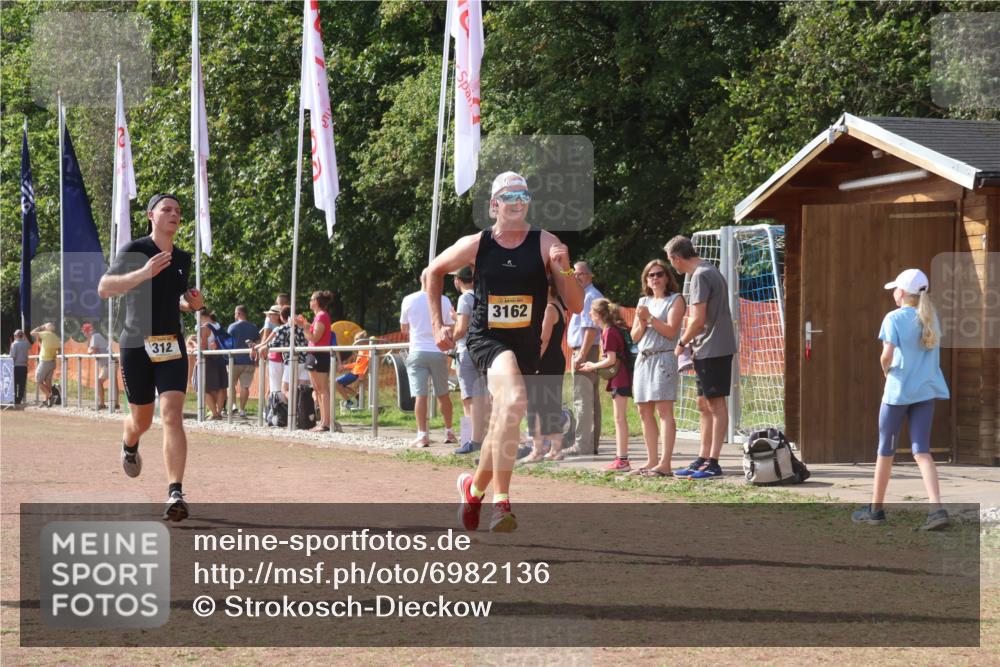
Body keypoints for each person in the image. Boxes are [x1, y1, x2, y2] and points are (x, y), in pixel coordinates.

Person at [424, 170, 583, 533]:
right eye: (508, 197)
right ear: (493, 205)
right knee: (513, 403)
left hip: (526, 344)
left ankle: (474, 488)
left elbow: (574, 302)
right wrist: (437, 325)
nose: (516, 203)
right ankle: (502, 503)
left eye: (523, 197)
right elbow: (432, 272)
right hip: (488, 340)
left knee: (504, 419)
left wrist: (565, 268)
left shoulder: (546, 243)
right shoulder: (478, 244)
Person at [97, 193, 203, 522]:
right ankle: (129, 443)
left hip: (171, 344)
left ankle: (175, 492)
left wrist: (192, 304)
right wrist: (142, 273)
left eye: (178, 211)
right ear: (151, 216)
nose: (173, 214)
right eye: (166, 209)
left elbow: (176, 300)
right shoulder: (135, 250)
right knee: (141, 420)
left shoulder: (183, 258)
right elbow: (105, 287)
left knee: (172, 415)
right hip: (135, 345)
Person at [852, 269, 952, 531]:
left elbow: (886, 356)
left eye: (895, 288)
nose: (893, 292)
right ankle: (936, 508)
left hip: (898, 394)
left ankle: (875, 510)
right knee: (922, 451)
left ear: (903, 293)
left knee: (885, 450)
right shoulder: (931, 317)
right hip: (926, 392)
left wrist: (886, 372)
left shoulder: (893, 318)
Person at [665, 235, 737, 480]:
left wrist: (682, 342)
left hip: (712, 347)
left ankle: (714, 462)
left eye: (671, 261)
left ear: (676, 258)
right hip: (705, 348)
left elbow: (697, 319)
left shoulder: (700, 275)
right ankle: (703, 457)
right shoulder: (708, 270)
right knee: (703, 404)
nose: (672, 267)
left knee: (716, 405)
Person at [630, 259, 685, 477]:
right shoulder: (643, 301)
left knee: (664, 411)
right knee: (644, 410)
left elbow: (671, 332)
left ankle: (665, 463)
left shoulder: (675, 300)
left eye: (659, 274)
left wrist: (650, 319)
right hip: (643, 358)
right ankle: (651, 459)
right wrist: (642, 321)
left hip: (663, 358)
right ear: (646, 280)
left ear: (667, 277)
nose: (655, 278)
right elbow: (634, 336)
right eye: (650, 275)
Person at [400, 276, 457, 447]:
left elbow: (404, 329)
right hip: (438, 351)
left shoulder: (408, 299)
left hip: (417, 350)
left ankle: (422, 434)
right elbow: (449, 326)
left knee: (420, 395)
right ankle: (449, 432)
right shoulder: (444, 300)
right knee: (443, 394)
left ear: (420, 279)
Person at [518, 278, 569, 463]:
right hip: (556, 359)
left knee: (535, 407)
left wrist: (534, 362)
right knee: (550, 406)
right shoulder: (559, 307)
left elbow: (544, 338)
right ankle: (555, 449)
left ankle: (538, 450)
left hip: (545, 361)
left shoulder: (549, 308)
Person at [579, 299, 632, 472]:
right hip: (620, 376)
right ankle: (621, 458)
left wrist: (591, 365)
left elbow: (611, 359)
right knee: (619, 418)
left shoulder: (609, 331)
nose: (589, 315)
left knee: (619, 419)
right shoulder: (610, 330)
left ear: (599, 315)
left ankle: (622, 459)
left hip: (620, 377)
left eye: (591, 312)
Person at [451, 265, 489, 455]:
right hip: (482, 350)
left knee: (468, 398)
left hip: (465, 349)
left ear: (458, 280)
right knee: (482, 397)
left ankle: (472, 441)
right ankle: (481, 437)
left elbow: (461, 328)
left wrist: (451, 336)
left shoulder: (464, 298)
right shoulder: (482, 296)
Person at [567, 261, 604, 455]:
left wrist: (581, 355)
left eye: (580, 274)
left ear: (589, 275)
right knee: (589, 400)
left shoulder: (589, 296)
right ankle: (590, 443)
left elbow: (590, 328)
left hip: (585, 349)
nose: (576, 277)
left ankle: (583, 445)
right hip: (587, 349)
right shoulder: (586, 295)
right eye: (574, 274)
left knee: (583, 399)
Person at [296, 290, 335, 432]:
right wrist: (304, 325)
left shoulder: (322, 316)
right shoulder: (318, 317)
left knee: (323, 390)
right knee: (317, 390)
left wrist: (305, 327)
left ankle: (326, 423)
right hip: (314, 354)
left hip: (320, 355)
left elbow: (314, 338)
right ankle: (323, 422)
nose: (310, 301)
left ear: (317, 302)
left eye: (312, 299)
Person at [267, 305, 309, 403]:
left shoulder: (283, 329)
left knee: (285, 389)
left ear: (281, 317)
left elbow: (275, 344)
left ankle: (296, 406)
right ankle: (304, 413)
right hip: (304, 361)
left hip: (291, 362)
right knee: (303, 390)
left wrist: (265, 347)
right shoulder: (303, 327)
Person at [228, 305, 260, 418]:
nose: (234, 315)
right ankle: (242, 410)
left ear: (239, 313)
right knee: (245, 386)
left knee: (230, 385)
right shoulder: (254, 327)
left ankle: (233, 406)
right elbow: (258, 342)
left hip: (234, 360)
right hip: (248, 361)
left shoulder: (232, 327)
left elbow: (228, 343)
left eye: (235, 313)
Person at [200, 311, 229, 420]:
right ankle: (219, 412)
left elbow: (202, 347)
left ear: (203, 316)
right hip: (221, 358)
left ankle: (214, 413)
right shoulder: (218, 326)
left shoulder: (205, 327)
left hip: (209, 360)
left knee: (203, 388)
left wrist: (194, 346)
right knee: (221, 387)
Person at [336, 330, 371, 408]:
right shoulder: (361, 350)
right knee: (340, 385)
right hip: (354, 372)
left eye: (356, 341)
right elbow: (357, 364)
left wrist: (362, 375)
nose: (355, 344)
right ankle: (357, 396)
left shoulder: (367, 350)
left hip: (357, 374)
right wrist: (344, 367)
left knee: (336, 383)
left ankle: (349, 402)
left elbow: (368, 364)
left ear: (362, 342)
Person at [82, 322, 111, 410]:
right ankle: (104, 403)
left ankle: (102, 404)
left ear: (87, 331)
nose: (84, 334)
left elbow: (92, 351)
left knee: (99, 382)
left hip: (108, 363)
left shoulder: (95, 336)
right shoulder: (93, 337)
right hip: (107, 363)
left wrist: (91, 350)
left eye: (84, 332)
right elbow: (90, 349)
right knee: (100, 382)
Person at [257, 305, 284, 396]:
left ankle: (274, 407)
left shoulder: (280, 329)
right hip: (276, 359)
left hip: (278, 360)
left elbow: (268, 343)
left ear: (277, 316)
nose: (268, 317)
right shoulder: (280, 328)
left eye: (271, 315)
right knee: (274, 386)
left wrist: (260, 348)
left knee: (275, 387)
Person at [29, 322, 59, 407]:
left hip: (45, 361)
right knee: (48, 381)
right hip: (52, 362)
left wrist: (40, 326)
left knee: (38, 380)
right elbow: (57, 350)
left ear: (47, 328)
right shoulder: (55, 337)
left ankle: (50, 396)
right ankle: (47, 401)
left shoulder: (46, 334)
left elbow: (32, 333)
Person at [10, 330, 30, 405]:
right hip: (24, 366)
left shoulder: (14, 344)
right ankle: (20, 399)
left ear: (16, 336)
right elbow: (30, 346)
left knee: (14, 383)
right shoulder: (26, 344)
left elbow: (13, 357)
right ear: (22, 336)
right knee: (22, 384)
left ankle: (14, 399)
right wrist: (24, 336)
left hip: (16, 366)